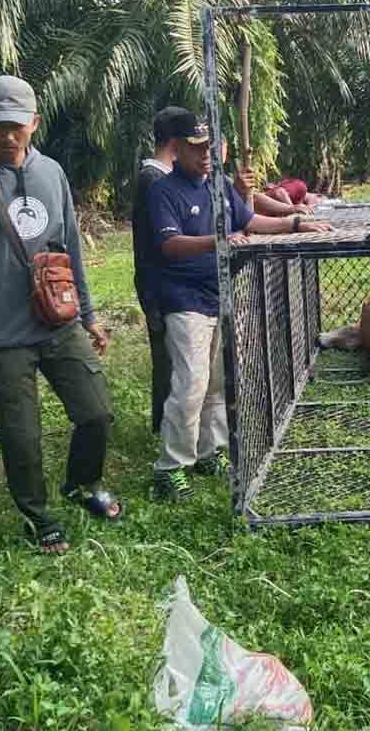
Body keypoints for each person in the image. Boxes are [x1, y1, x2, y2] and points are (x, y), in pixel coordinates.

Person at [0, 75, 123, 554]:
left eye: (16, 126)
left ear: (34, 123)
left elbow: (71, 250)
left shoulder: (51, 173)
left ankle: (82, 485)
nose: (7, 136)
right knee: (21, 436)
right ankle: (37, 515)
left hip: (58, 322)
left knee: (96, 412)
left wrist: (88, 314)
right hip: (2, 335)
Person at [146, 113, 332, 501]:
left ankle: (208, 451)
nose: (206, 155)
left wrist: (296, 223)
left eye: (211, 147)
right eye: (197, 149)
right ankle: (170, 468)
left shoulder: (217, 186)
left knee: (217, 382)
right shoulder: (162, 190)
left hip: (221, 296)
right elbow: (169, 245)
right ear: (177, 150)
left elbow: (250, 222)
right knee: (191, 383)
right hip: (185, 300)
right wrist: (216, 241)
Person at [135, 106, 188, 434]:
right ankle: (168, 426)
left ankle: (171, 423)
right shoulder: (153, 179)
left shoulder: (161, 177)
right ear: (176, 143)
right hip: (159, 284)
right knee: (168, 360)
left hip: (167, 282)